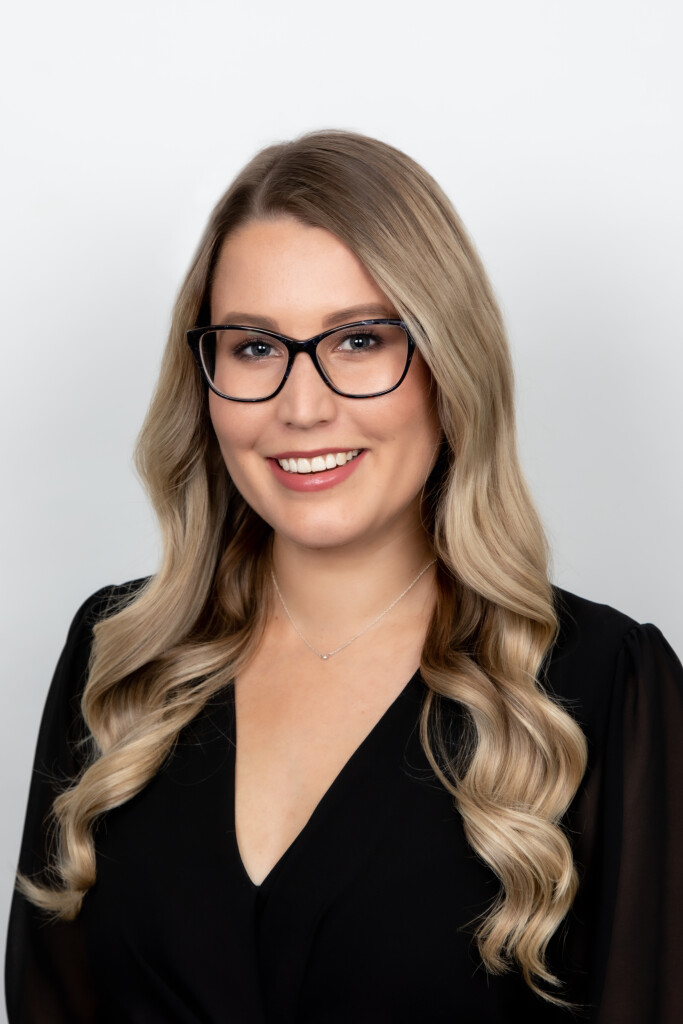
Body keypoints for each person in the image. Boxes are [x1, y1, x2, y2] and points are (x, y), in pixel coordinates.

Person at [5, 130, 682, 1024]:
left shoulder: (605, 688)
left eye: (358, 339)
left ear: (448, 363)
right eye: (253, 347)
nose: (302, 406)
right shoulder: (119, 661)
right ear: (204, 379)